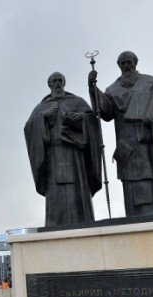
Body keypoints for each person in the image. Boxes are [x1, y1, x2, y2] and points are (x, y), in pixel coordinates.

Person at [88, 51, 153, 217]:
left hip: (151, 138)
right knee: (134, 176)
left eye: (129, 62)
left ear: (135, 62)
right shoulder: (112, 89)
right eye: (122, 63)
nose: (126, 66)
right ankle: (139, 212)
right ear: (119, 66)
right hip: (128, 141)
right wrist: (93, 89)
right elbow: (105, 112)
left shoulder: (152, 82)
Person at [25, 72, 103, 226]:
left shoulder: (77, 102)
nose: (57, 83)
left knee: (77, 192)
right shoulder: (41, 107)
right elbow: (29, 128)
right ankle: (56, 226)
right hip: (52, 156)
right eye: (54, 81)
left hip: (75, 156)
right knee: (56, 195)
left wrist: (79, 118)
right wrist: (43, 117)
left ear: (64, 83)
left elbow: (93, 122)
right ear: (49, 84)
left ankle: (83, 223)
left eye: (60, 80)